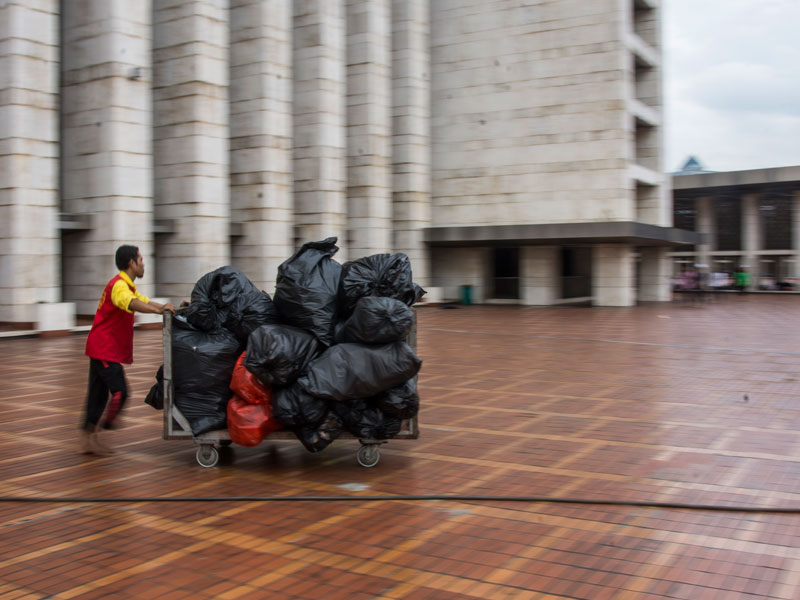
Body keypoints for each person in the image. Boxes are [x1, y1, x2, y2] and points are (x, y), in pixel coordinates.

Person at [80, 245, 175, 455]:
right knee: (120, 391)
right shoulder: (119, 286)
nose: (143, 264)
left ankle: (90, 440)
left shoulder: (126, 285)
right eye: (141, 260)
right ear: (131, 263)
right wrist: (161, 310)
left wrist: (169, 308)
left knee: (97, 395)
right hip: (103, 348)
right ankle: (104, 428)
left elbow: (142, 300)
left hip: (101, 347)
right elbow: (131, 303)